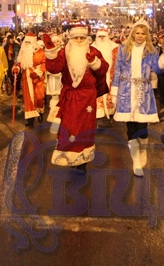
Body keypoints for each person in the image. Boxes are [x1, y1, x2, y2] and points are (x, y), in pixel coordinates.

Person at [111, 20, 164, 176]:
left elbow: (158, 70)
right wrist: (114, 93)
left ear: (147, 35)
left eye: (143, 33)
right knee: (130, 128)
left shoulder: (151, 50)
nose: (139, 36)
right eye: (137, 33)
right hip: (126, 91)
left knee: (142, 128)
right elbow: (117, 71)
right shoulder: (123, 49)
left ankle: (143, 149)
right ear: (133, 33)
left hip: (143, 92)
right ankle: (136, 161)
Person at [44, 26, 108, 172]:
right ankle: (71, 156)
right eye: (75, 38)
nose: (79, 41)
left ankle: (82, 161)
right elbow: (54, 68)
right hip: (71, 96)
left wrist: (94, 62)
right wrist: (50, 52)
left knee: (86, 127)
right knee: (70, 126)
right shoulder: (64, 52)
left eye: (82, 38)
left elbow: (103, 68)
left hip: (87, 96)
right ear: (70, 39)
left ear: (87, 38)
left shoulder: (93, 51)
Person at [12, 33, 46, 126]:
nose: (27, 44)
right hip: (26, 77)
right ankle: (30, 119)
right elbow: (17, 63)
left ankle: (40, 111)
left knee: (39, 97)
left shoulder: (41, 52)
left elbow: (44, 64)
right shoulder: (22, 52)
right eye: (26, 42)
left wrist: (38, 72)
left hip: (37, 77)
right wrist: (16, 68)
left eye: (29, 42)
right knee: (28, 99)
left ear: (33, 43)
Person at [92, 29, 118, 120]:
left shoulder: (115, 48)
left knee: (110, 95)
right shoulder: (92, 48)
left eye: (104, 36)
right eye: (100, 36)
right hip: (97, 77)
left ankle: (111, 112)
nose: (102, 38)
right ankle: (99, 113)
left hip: (111, 76)